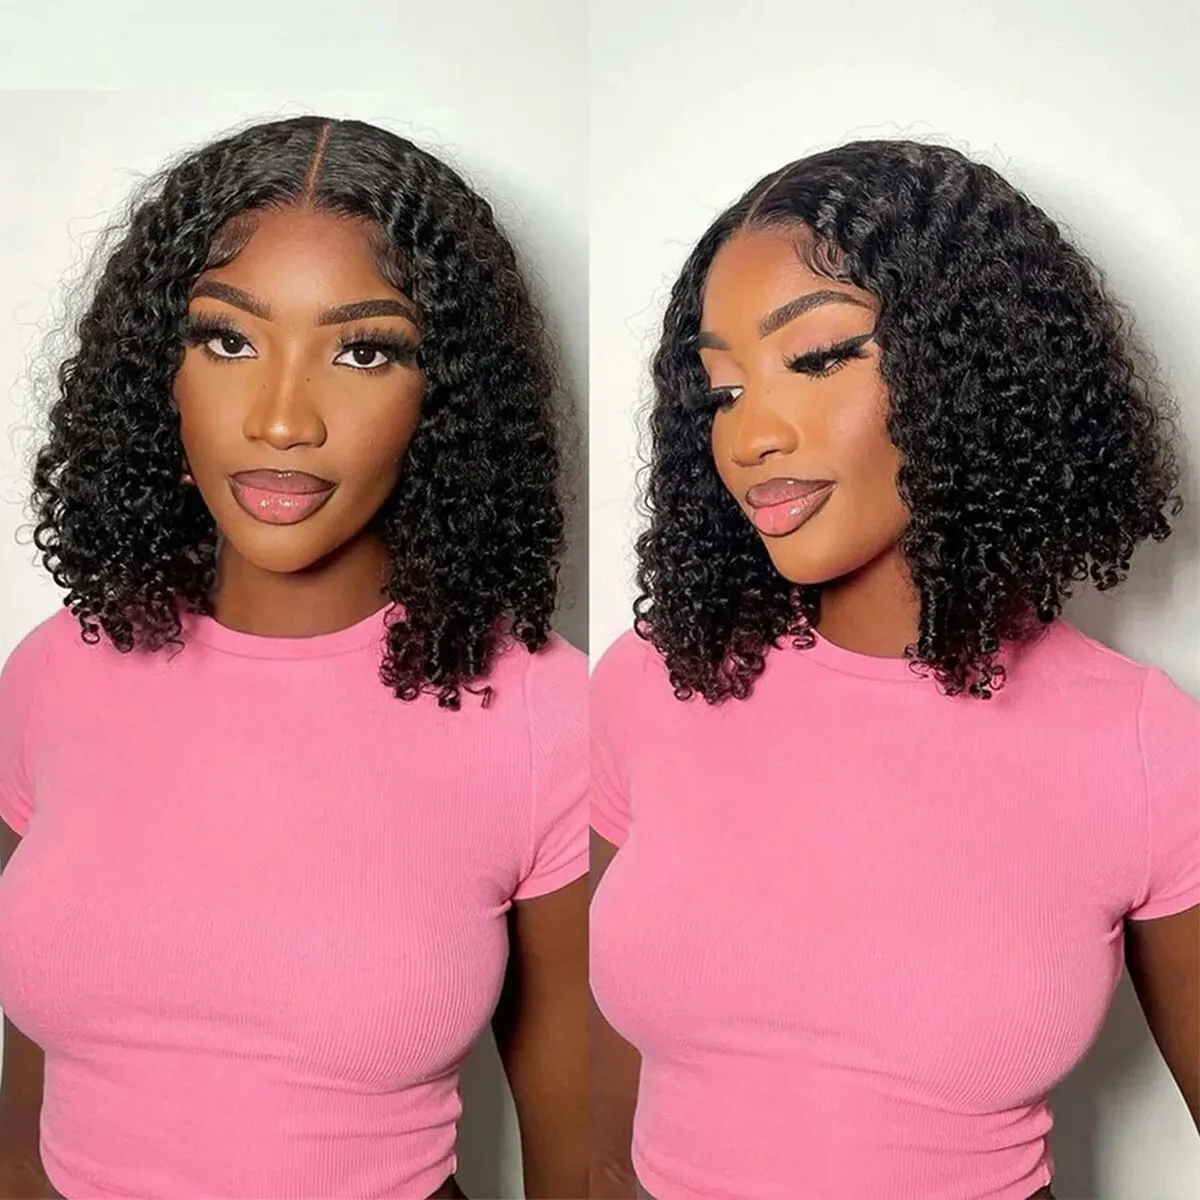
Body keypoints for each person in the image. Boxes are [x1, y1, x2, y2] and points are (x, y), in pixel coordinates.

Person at [588, 140, 1199, 1200]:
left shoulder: (1140, 744)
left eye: (817, 359)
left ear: (973, 364)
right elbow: (598, 1133)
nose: (751, 436)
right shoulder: (654, 681)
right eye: (722, 390)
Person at [0, 115, 588, 1200]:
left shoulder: (548, 715)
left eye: (363, 351)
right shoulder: (53, 673)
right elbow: (24, 1138)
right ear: (159, 371)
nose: (281, 421)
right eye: (229, 341)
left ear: (444, 398)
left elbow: (581, 1164)